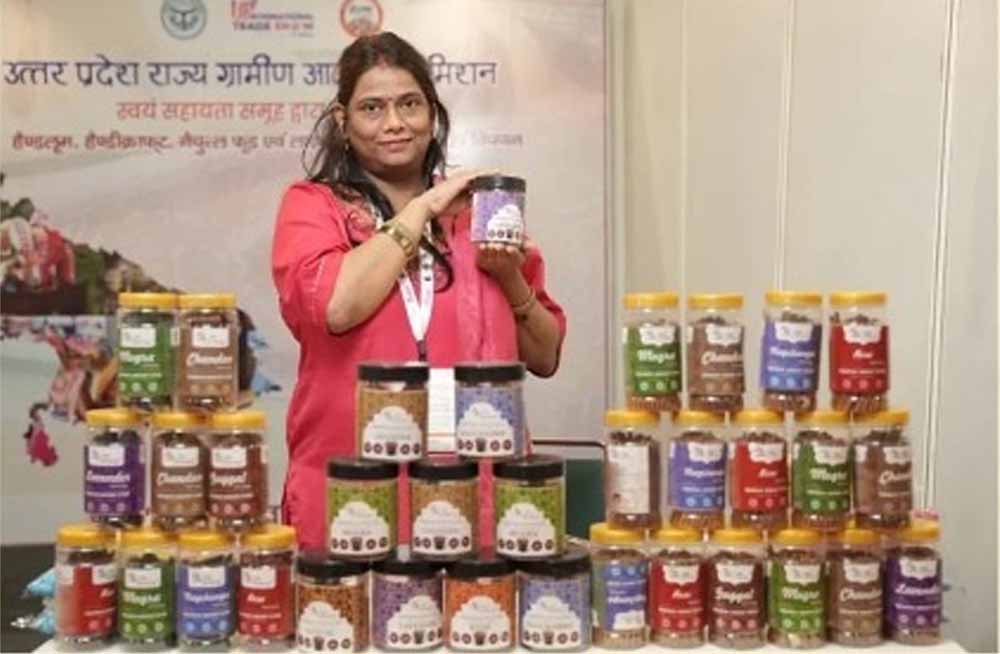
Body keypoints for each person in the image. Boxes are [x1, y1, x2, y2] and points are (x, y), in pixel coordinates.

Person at [271, 32, 567, 549]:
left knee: (474, 598)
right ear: (342, 121)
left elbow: (545, 356)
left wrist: (509, 277)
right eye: (372, 108)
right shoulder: (313, 206)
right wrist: (422, 209)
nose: (394, 123)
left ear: (432, 112)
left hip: (472, 484)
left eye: (409, 104)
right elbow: (338, 306)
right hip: (354, 489)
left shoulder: (481, 212)